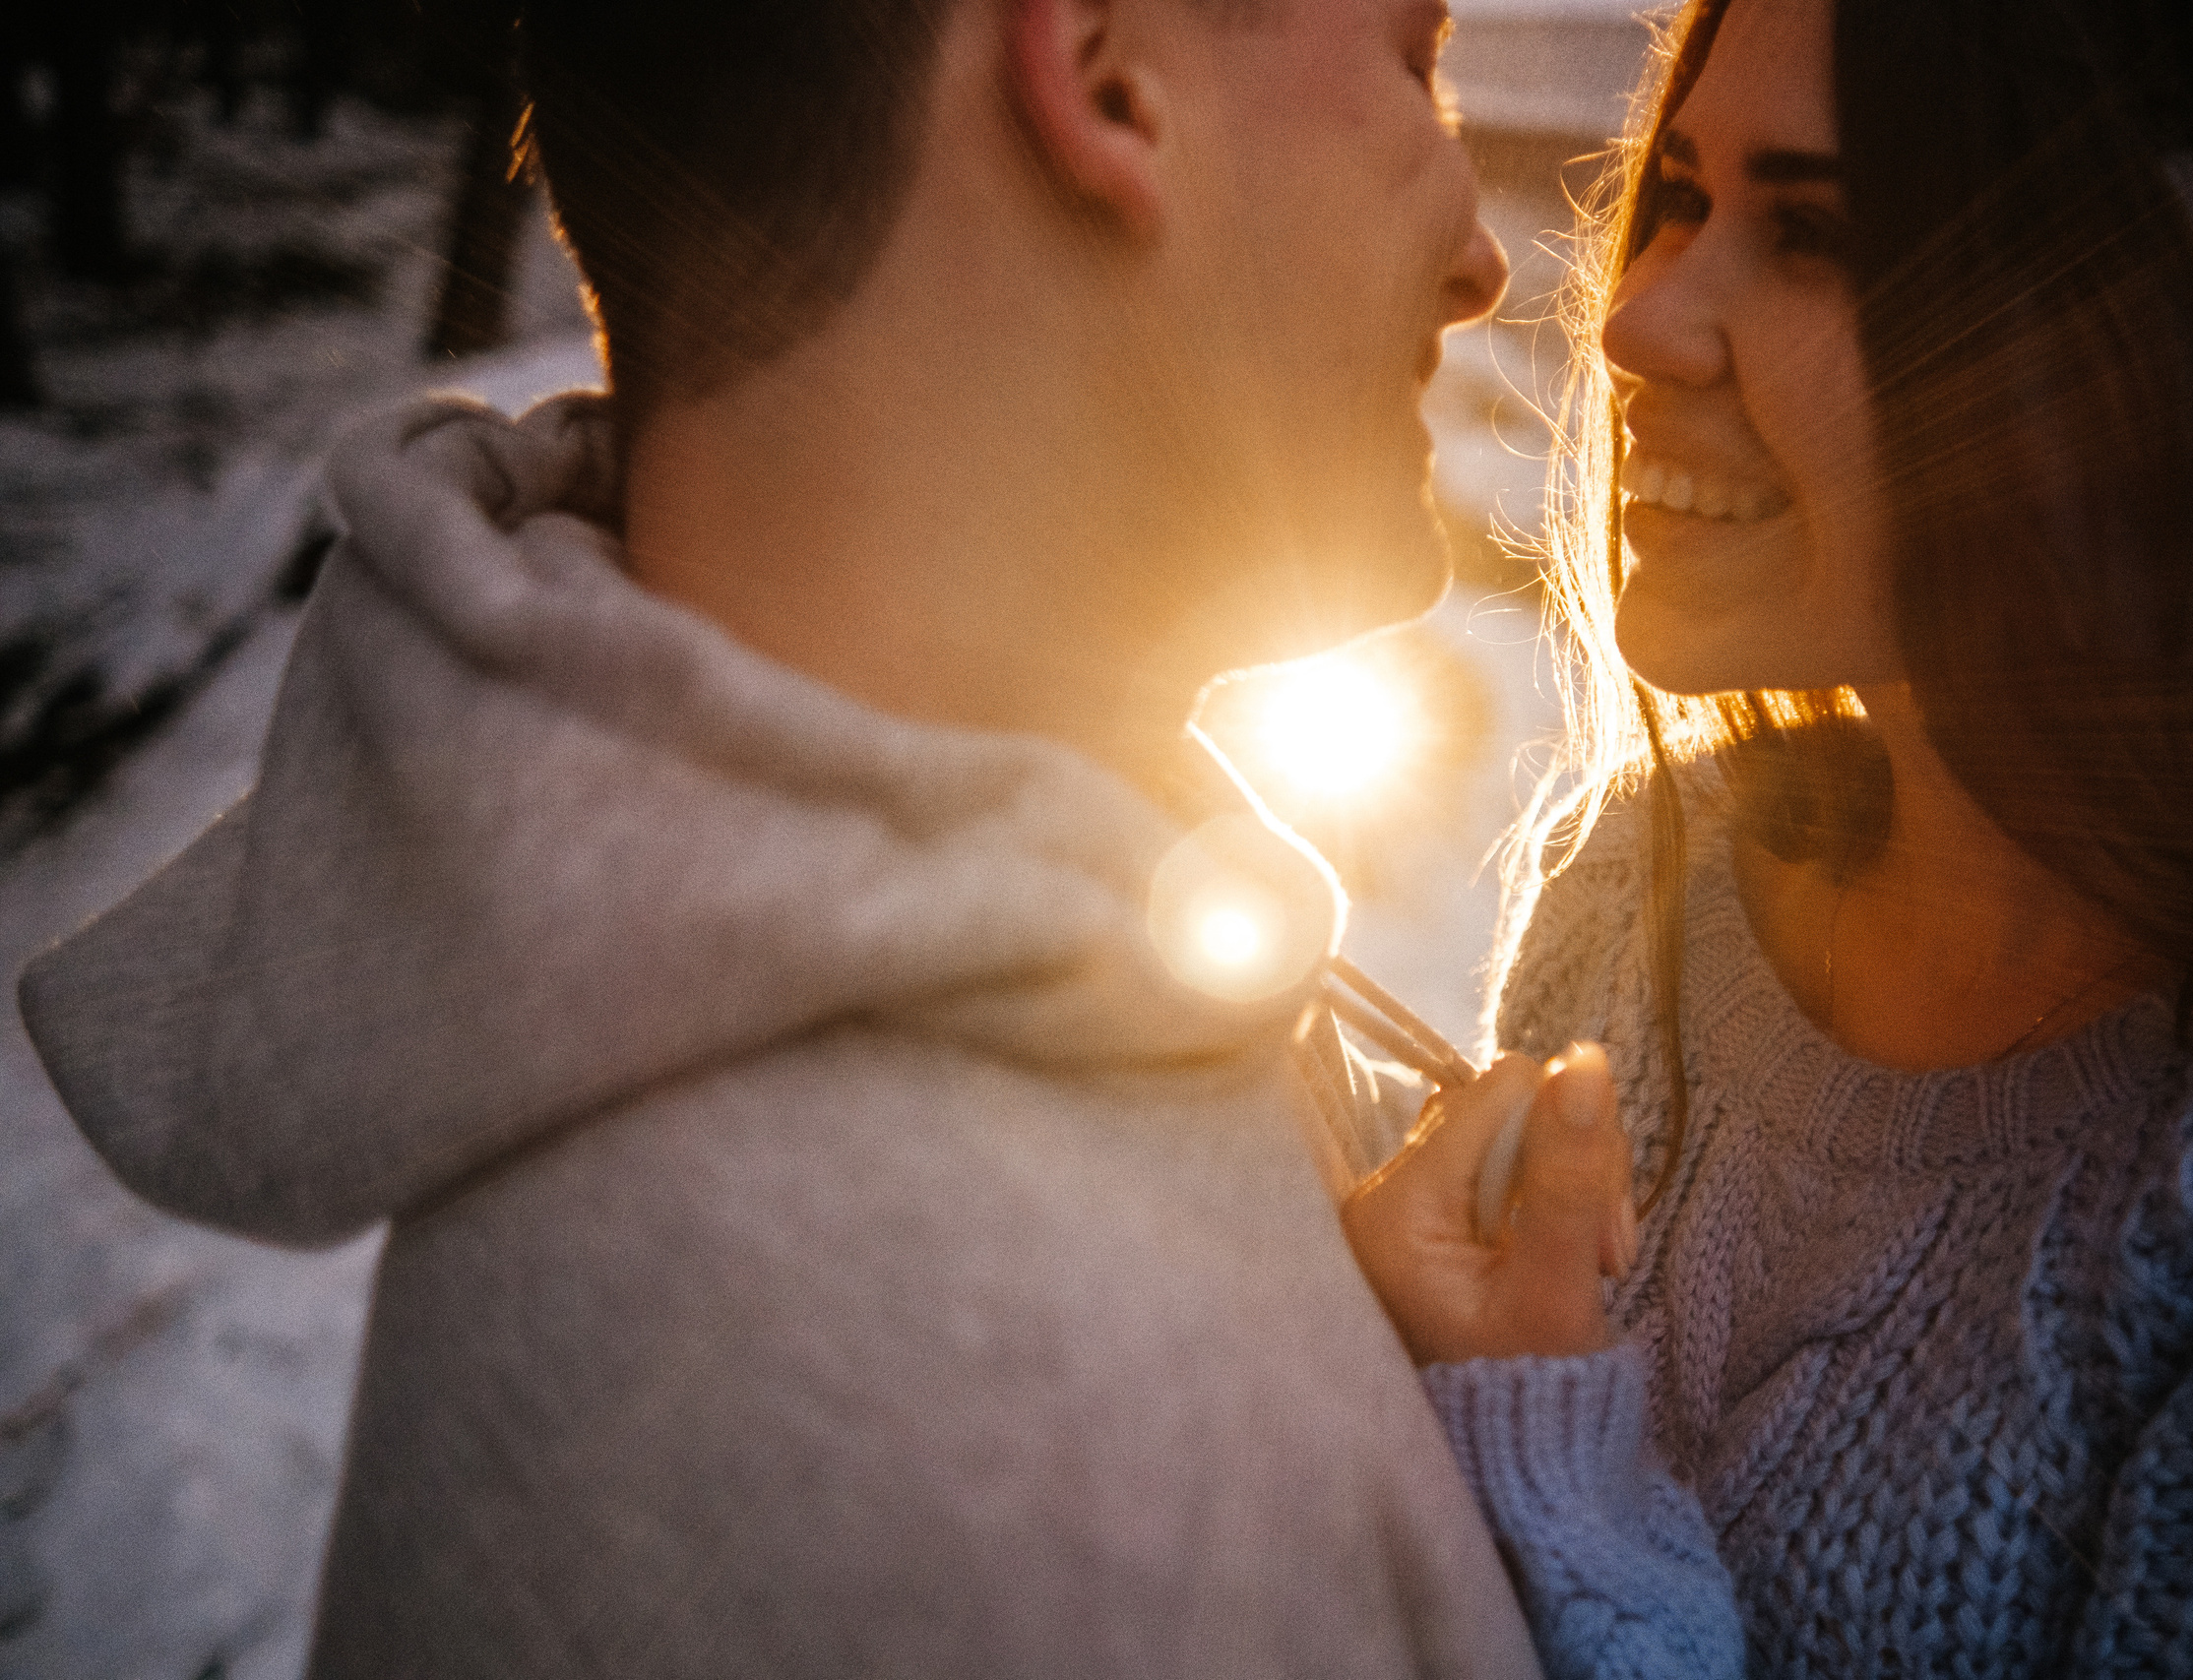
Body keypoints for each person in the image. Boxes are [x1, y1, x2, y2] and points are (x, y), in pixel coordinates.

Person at [20, 0, 1545, 1672]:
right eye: (1412, 59)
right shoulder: (1013, 1445)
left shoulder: (894, 1041)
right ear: (1107, 76)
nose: (1486, 260)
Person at [1341, 0, 2193, 1674]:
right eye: (1676, 195)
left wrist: (1545, 1463)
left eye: (1817, 232)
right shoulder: (1643, 894)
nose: (1643, 320)